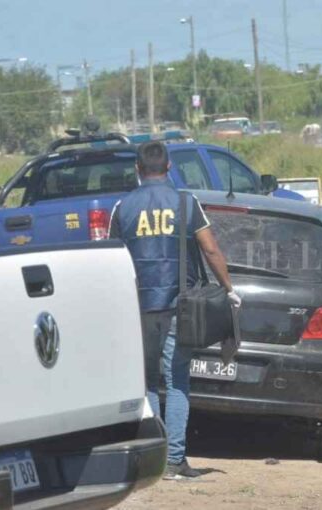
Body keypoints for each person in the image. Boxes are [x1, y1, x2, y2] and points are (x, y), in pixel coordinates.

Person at [109, 141, 241, 479]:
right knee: (178, 380)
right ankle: (176, 461)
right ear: (169, 168)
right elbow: (210, 250)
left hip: (137, 309)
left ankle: (154, 460)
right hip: (178, 308)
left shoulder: (121, 208)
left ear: (138, 170)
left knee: (148, 382)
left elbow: (110, 262)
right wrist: (229, 289)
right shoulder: (186, 202)